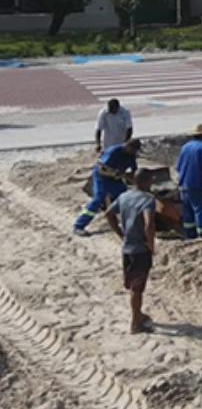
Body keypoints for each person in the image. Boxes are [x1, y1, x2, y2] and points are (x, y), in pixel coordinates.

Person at [105, 168, 156, 334]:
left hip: (127, 248)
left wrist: (120, 233)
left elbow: (109, 213)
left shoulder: (124, 196)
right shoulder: (148, 199)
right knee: (137, 289)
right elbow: (149, 224)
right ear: (146, 182)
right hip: (140, 250)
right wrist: (150, 244)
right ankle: (136, 323)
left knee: (133, 285)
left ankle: (139, 314)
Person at [73, 139, 141, 236]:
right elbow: (101, 168)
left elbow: (134, 171)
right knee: (99, 199)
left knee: (126, 197)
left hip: (116, 178)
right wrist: (113, 173)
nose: (134, 153)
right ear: (128, 146)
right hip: (102, 177)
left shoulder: (131, 155)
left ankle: (130, 224)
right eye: (133, 150)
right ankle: (79, 226)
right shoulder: (114, 151)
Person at [176, 123, 202, 241]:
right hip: (196, 184)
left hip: (183, 184)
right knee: (199, 210)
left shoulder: (185, 146)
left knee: (187, 210)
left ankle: (189, 236)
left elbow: (178, 166)